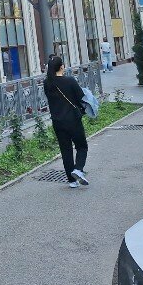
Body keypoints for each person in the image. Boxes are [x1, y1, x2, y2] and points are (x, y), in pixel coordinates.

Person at [44, 55, 89, 188]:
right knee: (81, 146)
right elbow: (81, 97)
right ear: (62, 67)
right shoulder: (69, 80)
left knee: (66, 150)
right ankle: (78, 169)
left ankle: (72, 181)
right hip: (73, 120)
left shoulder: (47, 83)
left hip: (57, 121)